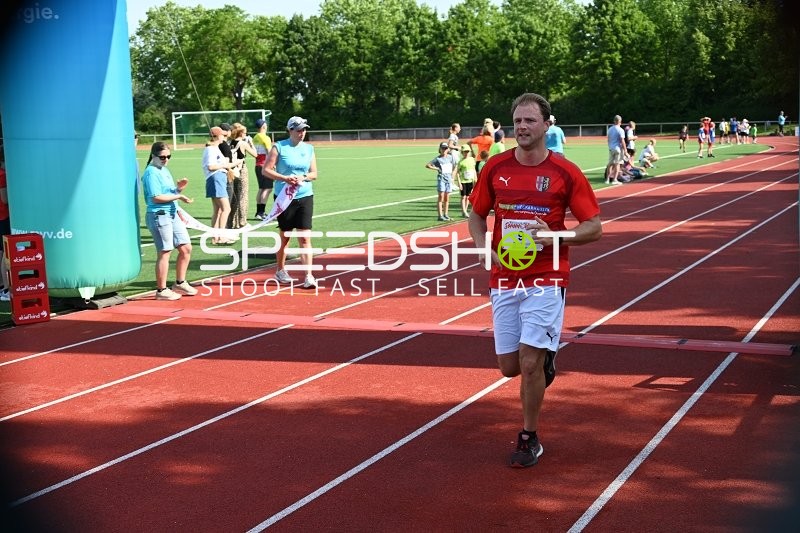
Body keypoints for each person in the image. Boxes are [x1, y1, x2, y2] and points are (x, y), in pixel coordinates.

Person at [468, 92, 602, 468]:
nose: (522, 127)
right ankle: (545, 360)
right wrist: (482, 248)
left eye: (530, 120)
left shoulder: (565, 172)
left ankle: (529, 437)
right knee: (510, 367)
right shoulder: (495, 167)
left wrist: (556, 237)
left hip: (547, 277)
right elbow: (476, 216)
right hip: (504, 278)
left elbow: (594, 227)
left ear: (546, 124)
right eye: (518, 121)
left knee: (528, 364)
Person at [262, 116, 319, 289]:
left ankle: (309, 275)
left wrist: (303, 177)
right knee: (285, 236)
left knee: (305, 237)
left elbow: (314, 174)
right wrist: (285, 178)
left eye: (304, 129)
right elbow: (266, 170)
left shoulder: (309, 149)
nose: (302, 133)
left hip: (305, 195)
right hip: (284, 197)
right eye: (299, 130)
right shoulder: (279, 147)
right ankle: (280, 270)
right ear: (290, 130)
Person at [141, 142, 198, 301]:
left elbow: (168, 193)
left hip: (172, 214)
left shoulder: (163, 170)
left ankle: (180, 282)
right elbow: (156, 197)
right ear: (153, 156)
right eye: (162, 157)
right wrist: (179, 196)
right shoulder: (151, 173)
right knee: (165, 251)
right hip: (159, 215)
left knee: (186, 248)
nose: (166, 159)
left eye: (168, 156)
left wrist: (178, 189)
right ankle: (161, 290)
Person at [203, 126, 239, 245]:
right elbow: (211, 166)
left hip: (218, 178)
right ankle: (221, 237)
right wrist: (225, 166)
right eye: (223, 135)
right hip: (216, 178)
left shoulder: (214, 148)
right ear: (218, 136)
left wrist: (232, 164)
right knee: (226, 208)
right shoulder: (211, 149)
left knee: (218, 210)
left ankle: (215, 238)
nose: (224, 137)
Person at [227, 122, 258, 229]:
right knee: (243, 196)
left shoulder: (229, 142)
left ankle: (231, 222)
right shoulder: (243, 143)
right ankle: (242, 221)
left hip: (231, 170)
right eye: (245, 133)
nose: (246, 134)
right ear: (241, 133)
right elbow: (255, 154)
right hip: (241, 170)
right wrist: (251, 143)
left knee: (234, 197)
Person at [426, 141, 457, 221]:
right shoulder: (438, 159)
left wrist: (452, 176)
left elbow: (455, 166)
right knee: (441, 197)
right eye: (442, 148)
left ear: (447, 149)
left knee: (447, 198)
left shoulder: (451, 157)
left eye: (445, 148)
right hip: (441, 179)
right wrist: (437, 168)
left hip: (448, 179)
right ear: (440, 149)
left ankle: (446, 214)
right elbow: (428, 165)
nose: (444, 150)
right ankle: (440, 215)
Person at [252, 118, 273, 220]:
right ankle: (261, 212)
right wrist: (272, 165)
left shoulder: (255, 137)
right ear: (263, 126)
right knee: (268, 188)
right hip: (265, 166)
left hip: (258, 165)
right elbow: (270, 152)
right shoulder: (265, 137)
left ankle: (258, 212)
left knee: (261, 188)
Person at [453, 144, 477, 217]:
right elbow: (457, 172)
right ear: (462, 152)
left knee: (468, 196)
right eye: (464, 152)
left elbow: (473, 169)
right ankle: (463, 211)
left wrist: (475, 179)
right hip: (463, 181)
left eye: (467, 151)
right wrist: (459, 182)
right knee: (463, 196)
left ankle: (465, 211)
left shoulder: (472, 159)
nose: (466, 153)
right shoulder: (460, 162)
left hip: (470, 181)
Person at [0, 145, 9, 302]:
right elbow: (5, 199)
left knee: (1, 252)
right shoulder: (2, 175)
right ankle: (7, 289)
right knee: (5, 253)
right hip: (3, 217)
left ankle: (3, 287)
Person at [606, 114, 625, 184]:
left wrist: (610, 147)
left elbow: (608, 139)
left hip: (611, 148)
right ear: (620, 121)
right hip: (617, 148)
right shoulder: (620, 130)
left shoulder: (610, 129)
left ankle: (607, 179)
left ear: (614, 121)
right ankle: (614, 179)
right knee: (617, 164)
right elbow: (622, 141)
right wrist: (625, 151)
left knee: (610, 164)